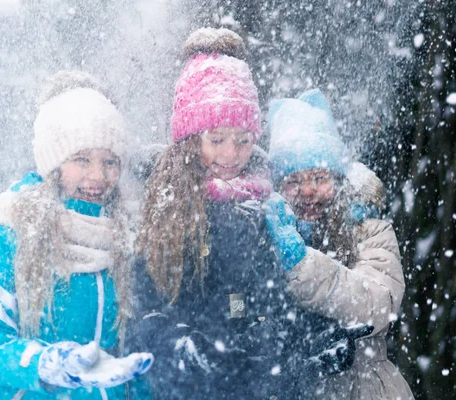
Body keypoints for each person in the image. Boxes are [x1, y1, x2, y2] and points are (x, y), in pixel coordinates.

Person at [131, 28, 364, 399]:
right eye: (217, 140)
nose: (230, 154)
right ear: (191, 140)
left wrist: (311, 339)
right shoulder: (170, 207)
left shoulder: (269, 202)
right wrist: (186, 350)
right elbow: (147, 311)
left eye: (242, 139)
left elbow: (275, 301)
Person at [0, 71, 153, 400]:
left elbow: (132, 351)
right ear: (53, 164)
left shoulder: (125, 236)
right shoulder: (11, 231)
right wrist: (44, 364)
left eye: (110, 161)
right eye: (82, 159)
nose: (98, 176)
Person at [266, 88, 415, 399]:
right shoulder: (267, 236)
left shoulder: (368, 230)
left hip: (365, 388)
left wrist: (302, 266)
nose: (307, 191)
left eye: (320, 177)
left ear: (339, 179)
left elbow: (378, 304)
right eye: (293, 181)